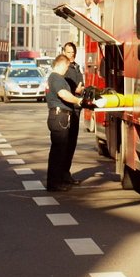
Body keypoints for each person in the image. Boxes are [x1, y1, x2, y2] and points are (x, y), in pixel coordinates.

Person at [45, 54, 84, 191]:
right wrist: (78, 100)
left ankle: (58, 180)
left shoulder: (55, 78)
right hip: (59, 116)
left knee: (60, 151)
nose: (67, 70)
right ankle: (54, 183)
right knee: (58, 151)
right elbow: (62, 94)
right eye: (67, 66)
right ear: (61, 64)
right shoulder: (56, 77)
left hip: (59, 116)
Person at [62, 42, 84, 185]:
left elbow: (81, 83)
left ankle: (66, 173)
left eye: (73, 52)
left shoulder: (76, 67)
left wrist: (81, 88)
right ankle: (62, 174)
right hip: (68, 109)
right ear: (64, 52)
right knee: (65, 144)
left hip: (76, 108)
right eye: (69, 52)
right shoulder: (64, 69)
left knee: (72, 143)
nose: (71, 55)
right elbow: (67, 88)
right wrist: (76, 90)